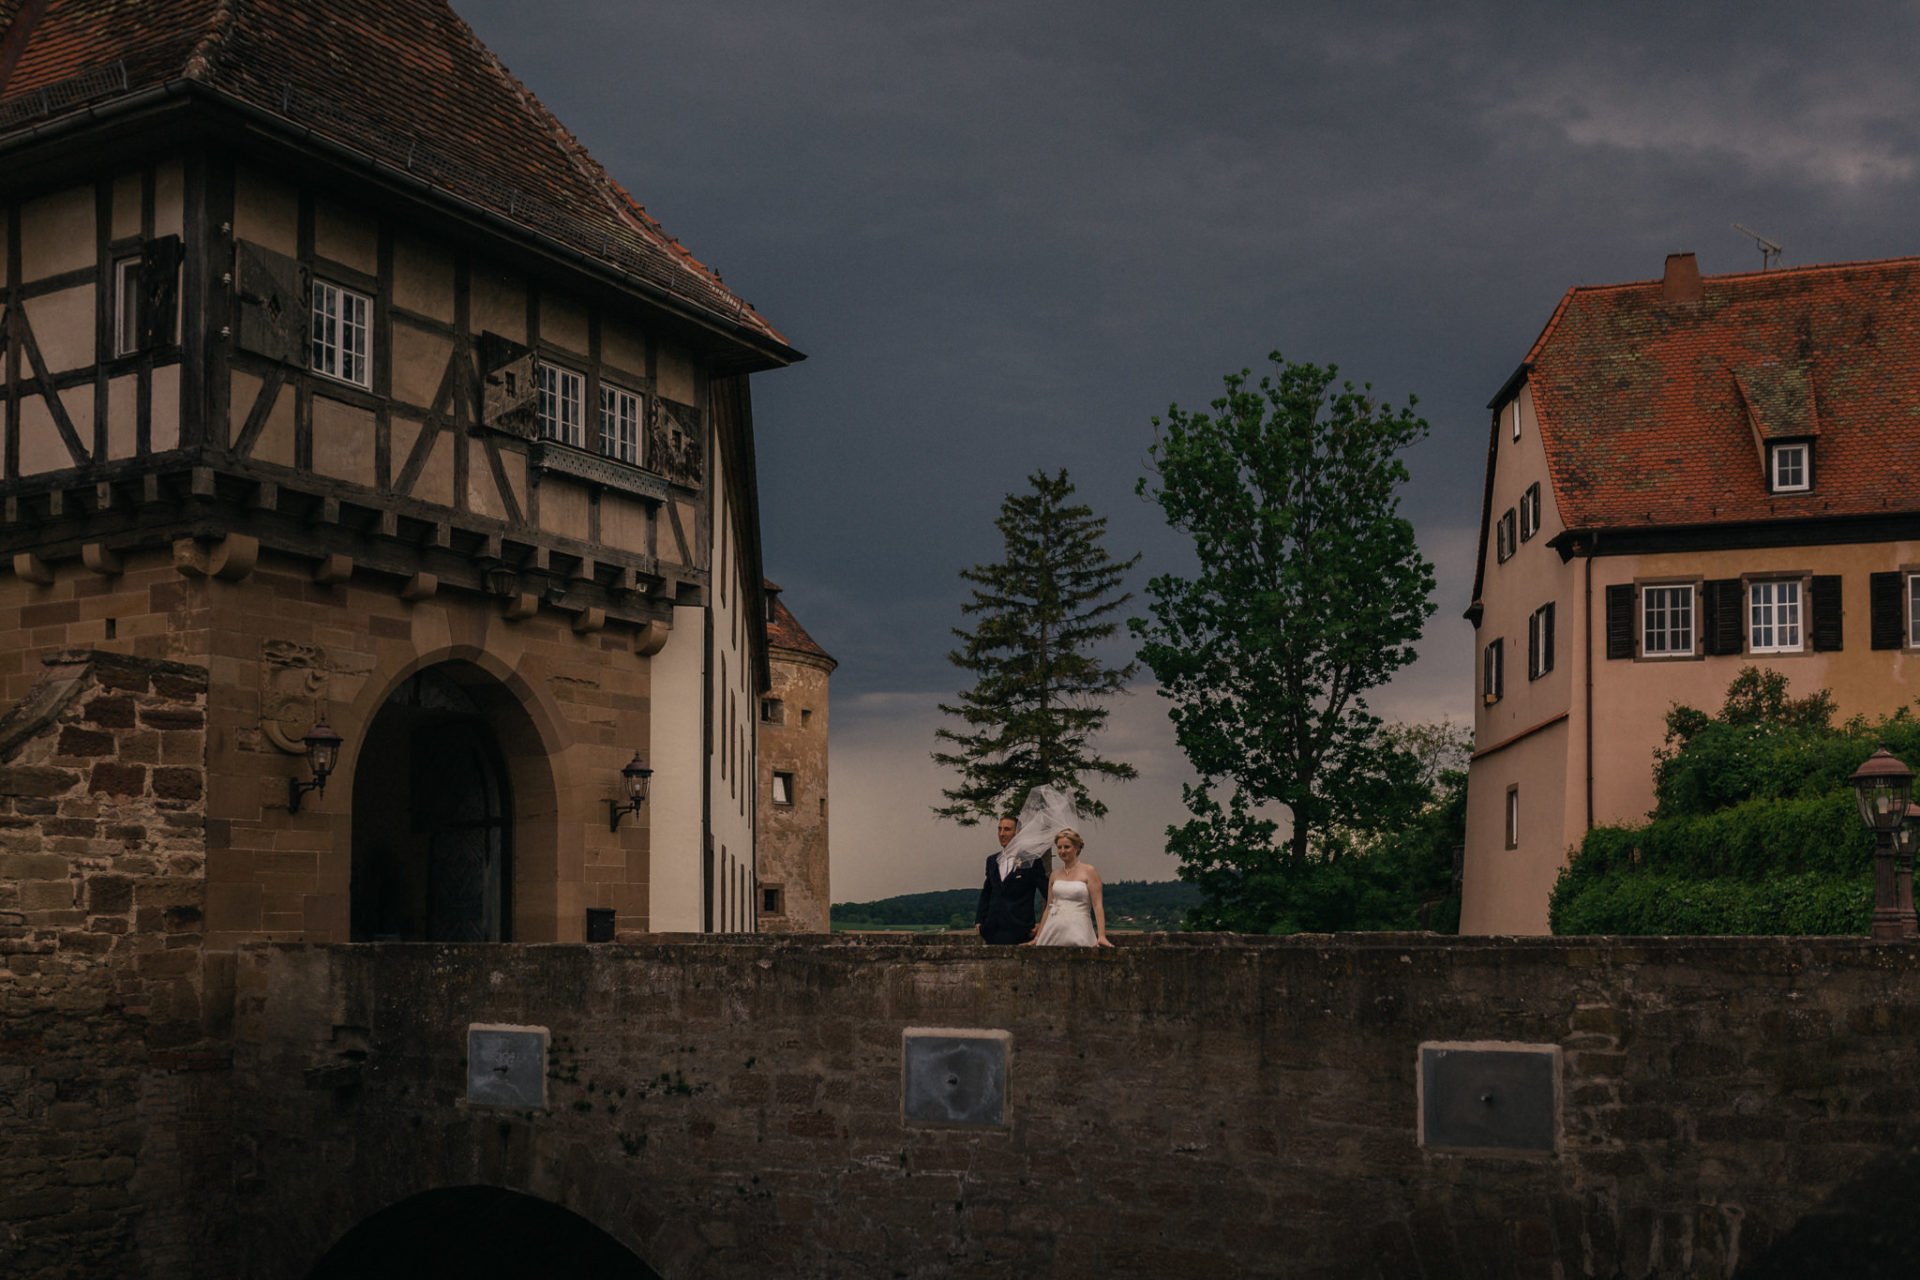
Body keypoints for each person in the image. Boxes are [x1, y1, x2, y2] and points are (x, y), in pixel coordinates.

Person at [1025, 828, 1114, 948]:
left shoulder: (1089, 871)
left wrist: (1102, 935)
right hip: (1053, 929)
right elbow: (1048, 908)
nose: (1062, 851)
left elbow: (1097, 905)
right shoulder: (1054, 874)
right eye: (1059, 847)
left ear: (1076, 848)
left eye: (1066, 847)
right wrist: (1038, 937)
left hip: (1080, 928)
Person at [975, 814, 1050, 944]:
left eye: (1007, 829)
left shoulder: (1031, 860)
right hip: (992, 930)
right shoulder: (992, 860)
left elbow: (1049, 895)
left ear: (1018, 833)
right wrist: (979, 921)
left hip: (1021, 931)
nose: (1002, 833)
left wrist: (1043, 925)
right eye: (999, 829)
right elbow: (987, 892)